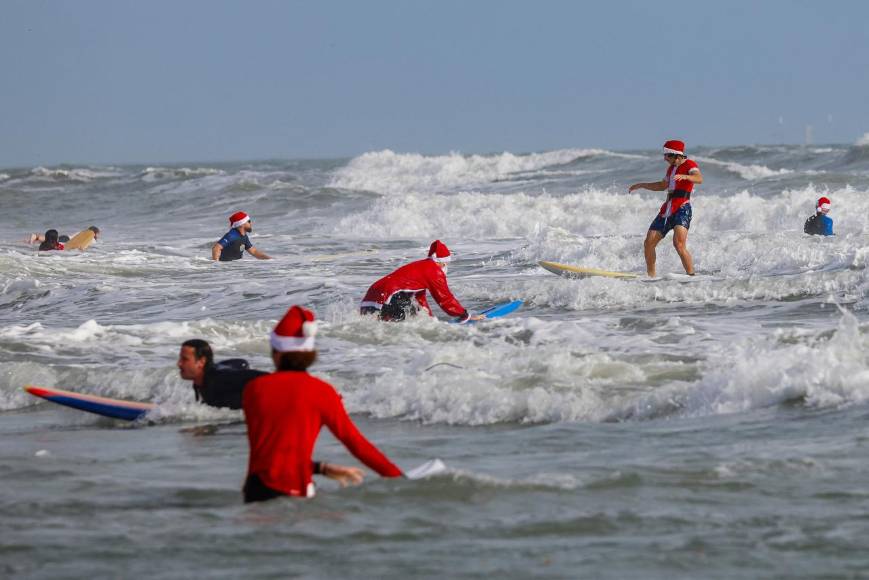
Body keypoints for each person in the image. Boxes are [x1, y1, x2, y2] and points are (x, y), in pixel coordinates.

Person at [242, 305, 404, 502]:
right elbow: (356, 445)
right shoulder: (322, 392)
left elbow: (271, 455)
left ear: (277, 353)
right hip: (296, 490)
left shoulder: (253, 389)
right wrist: (399, 479)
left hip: (255, 490)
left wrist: (321, 468)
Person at [176, 338, 363, 488]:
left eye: (184, 359)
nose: (179, 364)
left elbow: (255, 376)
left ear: (201, 362)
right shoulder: (202, 380)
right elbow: (240, 363)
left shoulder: (218, 381)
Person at [629, 140, 703, 277]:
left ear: (675, 155)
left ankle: (692, 276)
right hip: (667, 209)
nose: (664, 159)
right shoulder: (670, 169)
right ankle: (651, 276)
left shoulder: (689, 164)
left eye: (667, 156)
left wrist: (686, 176)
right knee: (649, 242)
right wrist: (642, 185)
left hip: (682, 209)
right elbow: (662, 185)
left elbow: (699, 178)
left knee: (678, 244)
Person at [360, 240, 481, 322]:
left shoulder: (421, 267)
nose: (446, 267)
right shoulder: (434, 270)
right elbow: (445, 299)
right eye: (446, 264)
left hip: (371, 296)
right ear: (441, 262)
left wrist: (430, 321)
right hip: (390, 296)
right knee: (403, 327)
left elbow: (419, 300)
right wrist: (465, 316)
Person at [28, 225, 100, 246]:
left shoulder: (82, 232)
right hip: (66, 240)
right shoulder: (90, 237)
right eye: (97, 234)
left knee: (48, 241)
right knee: (48, 241)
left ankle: (33, 240)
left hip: (66, 237)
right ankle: (36, 236)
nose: (98, 236)